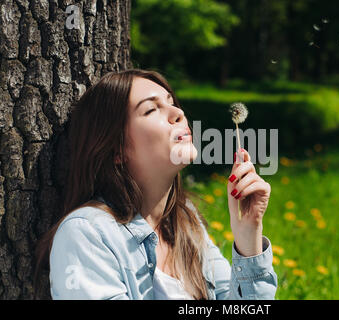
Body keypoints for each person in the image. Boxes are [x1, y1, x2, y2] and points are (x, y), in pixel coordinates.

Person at [34, 69, 277, 300]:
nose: (178, 113)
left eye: (172, 102)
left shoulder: (186, 224)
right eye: (151, 110)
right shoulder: (87, 235)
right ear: (116, 149)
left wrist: (248, 237)